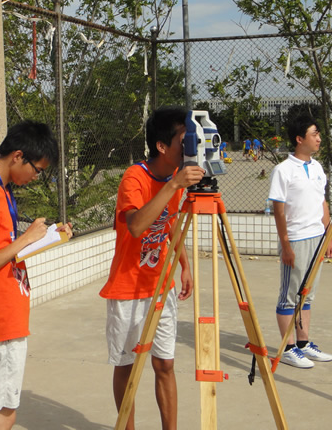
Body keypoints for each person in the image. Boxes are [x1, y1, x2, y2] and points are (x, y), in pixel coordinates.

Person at [0, 120, 73, 430]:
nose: (36, 177)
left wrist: (47, 236)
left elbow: (3, 251)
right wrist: (25, 238)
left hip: (7, 313)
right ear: (18, 156)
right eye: (37, 169)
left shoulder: (2, 191)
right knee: (5, 414)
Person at [100, 107, 205, 430]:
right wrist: (173, 186)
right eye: (183, 140)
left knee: (165, 365)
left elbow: (170, 225)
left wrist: (184, 265)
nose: (189, 147)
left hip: (161, 286)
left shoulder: (175, 180)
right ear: (162, 145)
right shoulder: (136, 177)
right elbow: (135, 226)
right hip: (128, 288)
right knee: (127, 365)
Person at [268, 114, 332, 369]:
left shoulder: (317, 167)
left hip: (317, 238)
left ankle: (304, 343)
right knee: (290, 296)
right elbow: (279, 210)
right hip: (296, 240)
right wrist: (286, 245)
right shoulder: (283, 170)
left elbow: (322, 203)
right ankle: (287, 348)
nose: (319, 138)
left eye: (318, 134)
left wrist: (327, 236)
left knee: (307, 294)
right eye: (314, 134)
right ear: (299, 139)